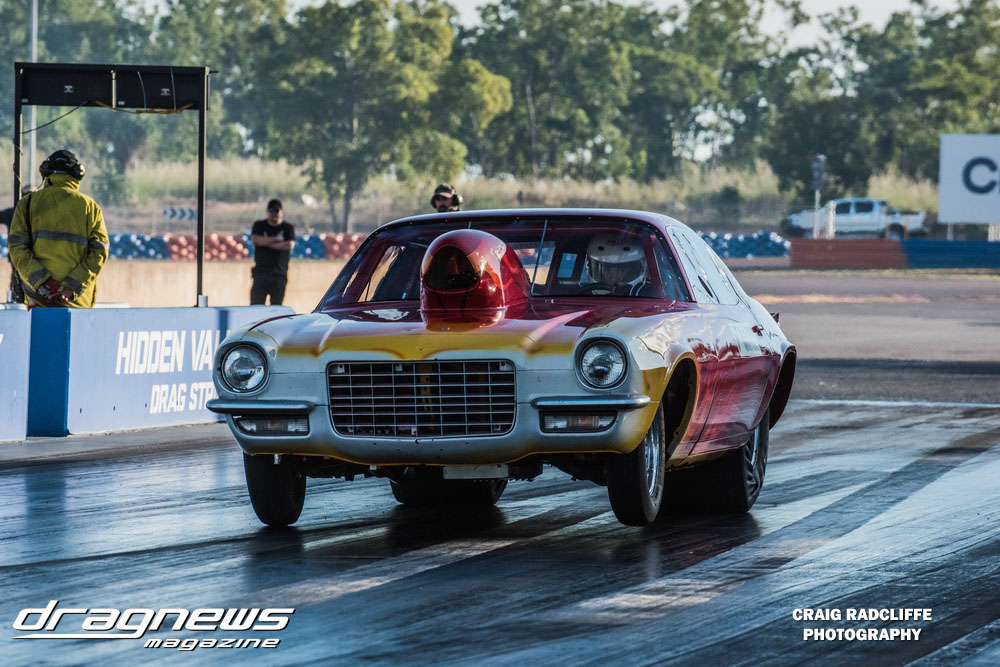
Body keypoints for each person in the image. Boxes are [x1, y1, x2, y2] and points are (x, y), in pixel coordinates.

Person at [8, 151, 108, 308]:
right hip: (77, 303)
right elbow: (99, 253)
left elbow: (17, 249)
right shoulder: (90, 207)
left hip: (39, 300)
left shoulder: (27, 204)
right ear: (77, 174)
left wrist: (43, 284)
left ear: (46, 173)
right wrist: (71, 287)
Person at [250, 198, 295, 305]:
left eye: (276, 210)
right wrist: (276, 239)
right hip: (261, 274)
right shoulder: (259, 225)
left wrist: (266, 242)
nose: (273, 213)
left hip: (279, 274)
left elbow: (289, 245)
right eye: (271, 210)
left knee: (276, 307)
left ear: (281, 212)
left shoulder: (287, 228)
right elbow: (255, 240)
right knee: (256, 306)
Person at [584, 234, 650, 296]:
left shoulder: (647, 296)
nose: (613, 275)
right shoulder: (582, 297)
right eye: (607, 268)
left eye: (622, 269)